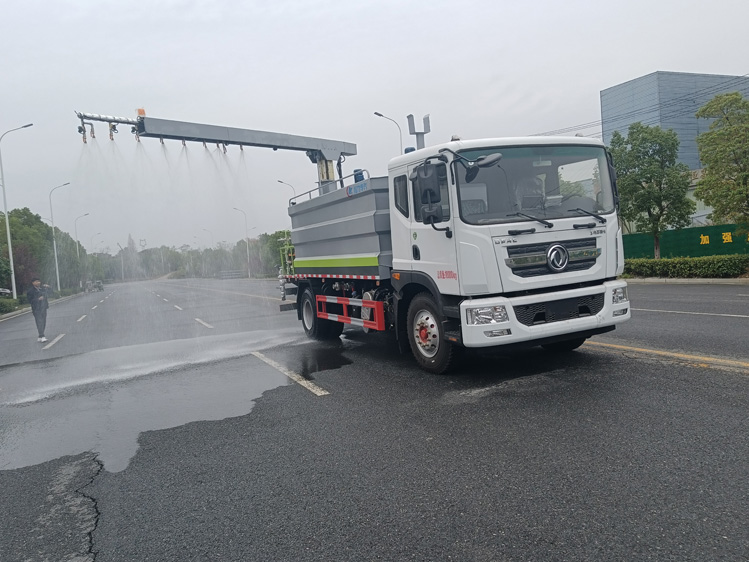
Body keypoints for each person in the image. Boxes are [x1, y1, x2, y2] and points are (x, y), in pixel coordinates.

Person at [27, 277, 50, 343]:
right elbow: (30, 300)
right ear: (33, 283)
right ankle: (42, 336)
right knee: (39, 322)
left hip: (43, 308)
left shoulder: (42, 289)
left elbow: (51, 292)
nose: (38, 282)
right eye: (36, 281)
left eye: (39, 281)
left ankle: (40, 336)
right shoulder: (30, 291)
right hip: (36, 309)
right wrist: (38, 299)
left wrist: (48, 287)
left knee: (43, 322)